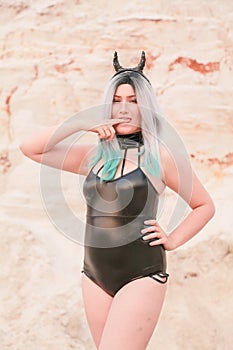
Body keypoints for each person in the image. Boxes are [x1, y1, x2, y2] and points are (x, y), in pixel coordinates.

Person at [19, 51, 215, 350]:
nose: (124, 109)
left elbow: (204, 206)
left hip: (141, 274)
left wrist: (173, 240)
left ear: (145, 107)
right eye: (117, 100)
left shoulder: (160, 157)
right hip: (94, 274)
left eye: (134, 101)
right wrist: (80, 124)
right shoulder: (93, 155)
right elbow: (29, 148)